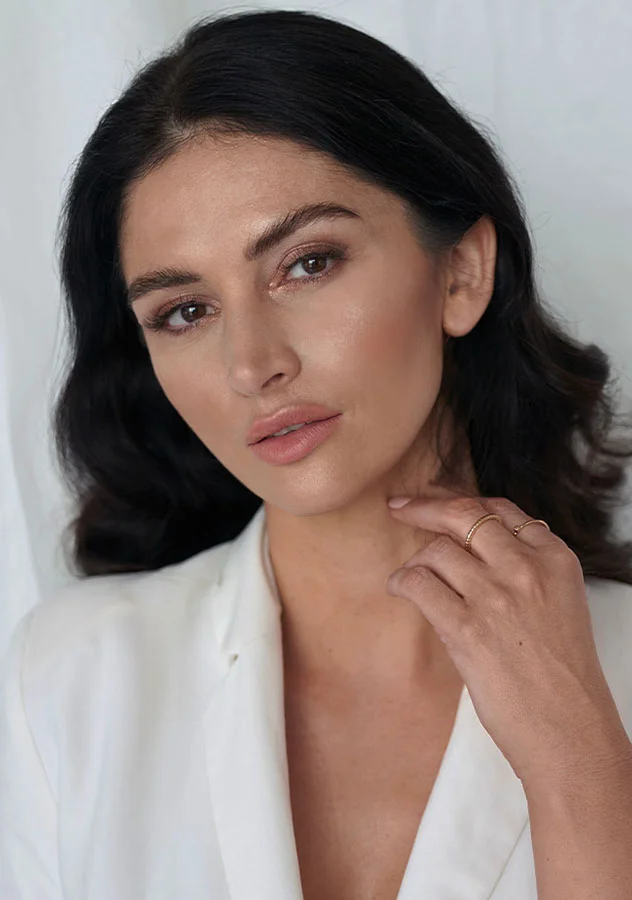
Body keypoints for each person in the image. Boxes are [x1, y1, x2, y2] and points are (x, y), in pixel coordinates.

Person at [1, 8, 632, 900]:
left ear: (461, 274)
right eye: (185, 311)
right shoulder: (65, 684)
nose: (253, 364)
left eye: (307, 264)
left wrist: (582, 771)